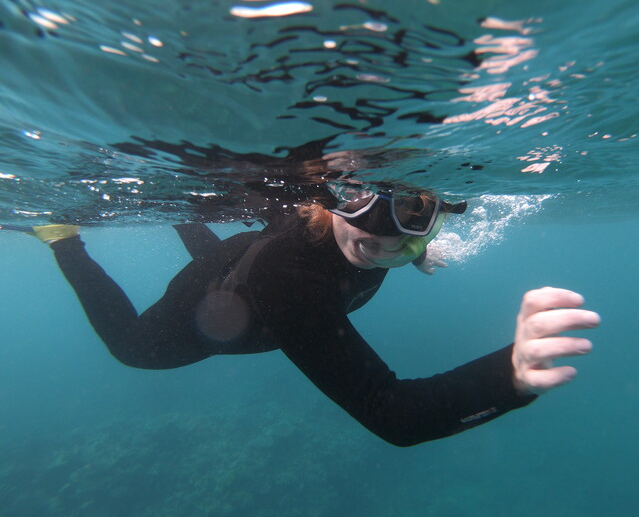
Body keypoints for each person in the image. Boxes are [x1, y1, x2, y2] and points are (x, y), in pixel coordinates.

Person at [17, 186, 600, 447]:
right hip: (228, 296)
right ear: (332, 196)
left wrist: (416, 249)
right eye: (358, 200)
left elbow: (386, 234)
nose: (376, 229)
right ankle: (63, 239)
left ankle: (189, 217)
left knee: (258, 260)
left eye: (413, 211)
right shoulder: (290, 277)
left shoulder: (388, 240)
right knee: (134, 349)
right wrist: (512, 374)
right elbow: (392, 416)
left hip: (256, 262)